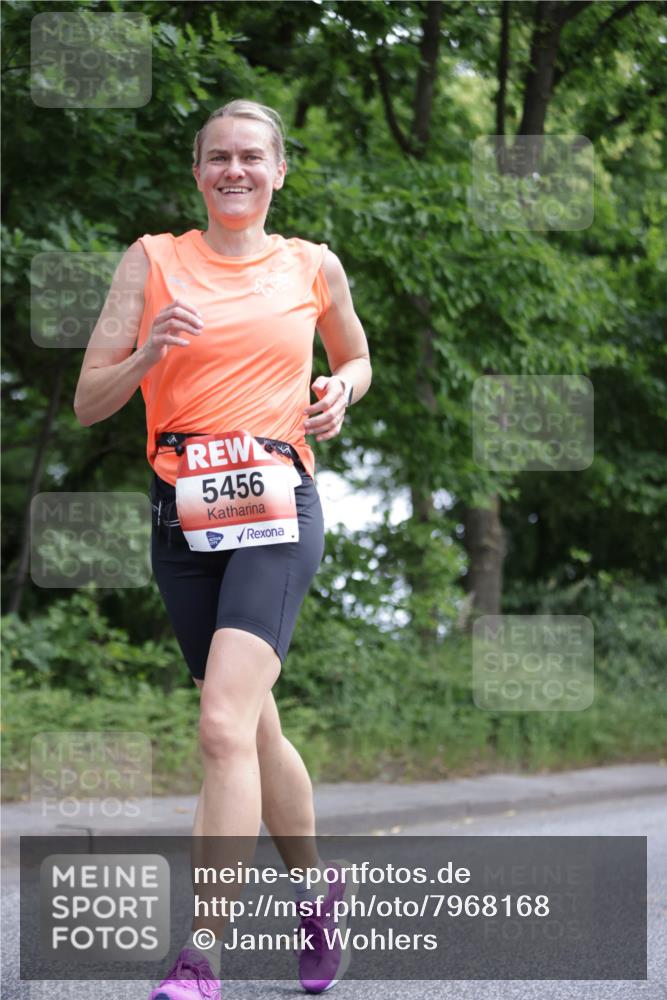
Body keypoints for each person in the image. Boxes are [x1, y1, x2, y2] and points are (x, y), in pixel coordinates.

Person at [73, 99, 372, 999]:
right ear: (196, 171)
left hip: (279, 508)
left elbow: (355, 357)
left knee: (217, 726)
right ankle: (318, 892)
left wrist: (340, 393)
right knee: (250, 724)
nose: (234, 171)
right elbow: (91, 398)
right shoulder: (151, 260)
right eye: (217, 158)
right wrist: (147, 356)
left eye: (252, 157)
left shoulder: (312, 265)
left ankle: (200, 957)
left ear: (280, 171)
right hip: (183, 514)